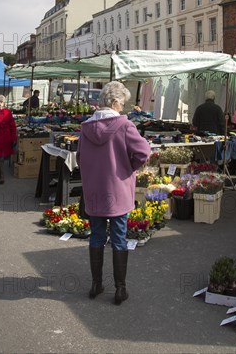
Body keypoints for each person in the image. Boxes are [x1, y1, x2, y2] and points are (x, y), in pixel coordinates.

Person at [77, 81, 150, 305]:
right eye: (122, 104)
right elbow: (144, 152)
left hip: (94, 190)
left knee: (97, 236)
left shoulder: (86, 127)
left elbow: (79, 158)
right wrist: (130, 168)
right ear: (115, 102)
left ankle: (96, 284)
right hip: (118, 189)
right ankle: (120, 288)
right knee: (119, 238)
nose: (123, 108)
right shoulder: (124, 125)